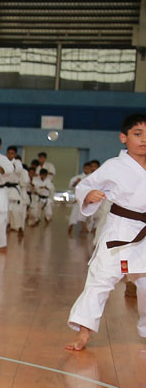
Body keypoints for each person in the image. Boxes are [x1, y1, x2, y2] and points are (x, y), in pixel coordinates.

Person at [65, 113, 146, 351]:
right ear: (123, 137)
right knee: (100, 280)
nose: (144, 139)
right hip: (120, 230)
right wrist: (88, 195)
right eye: (138, 134)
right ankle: (84, 332)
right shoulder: (114, 166)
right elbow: (85, 185)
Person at [4, 145, 29, 236]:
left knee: (16, 210)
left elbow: (18, 170)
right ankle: (6, 225)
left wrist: (9, 165)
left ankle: (19, 227)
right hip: (5, 188)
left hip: (14, 188)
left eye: (12, 153)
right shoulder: (3, 161)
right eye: (9, 153)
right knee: (5, 210)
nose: (10, 155)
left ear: (15, 154)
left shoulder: (17, 162)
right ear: (6, 153)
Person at [68, 162, 95, 235]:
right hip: (78, 199)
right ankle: (71, 226)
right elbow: (71, 187)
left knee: (85, 215)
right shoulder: (77, 177)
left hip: (88, 200)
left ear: (90, 169)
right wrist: (76, 182)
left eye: (88, 168)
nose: (87, 169)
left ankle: (85, 228)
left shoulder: (92, 178)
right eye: (85, 168)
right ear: (83, 168)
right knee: (74, 214)